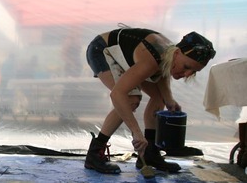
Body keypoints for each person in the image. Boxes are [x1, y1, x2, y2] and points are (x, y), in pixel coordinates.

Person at [84, 27, 215, 174]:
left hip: (129, 56)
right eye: (186, 67)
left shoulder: (170, 54)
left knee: (159, 97)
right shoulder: (151, 58)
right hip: (103, 50)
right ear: (177, 53)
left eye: (194, 72)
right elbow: (117, 94)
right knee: (130, 99)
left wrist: (168, 98)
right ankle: (95, 153)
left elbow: (163, 70)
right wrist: (136, 133)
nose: (187, 74)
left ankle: (150, 153)